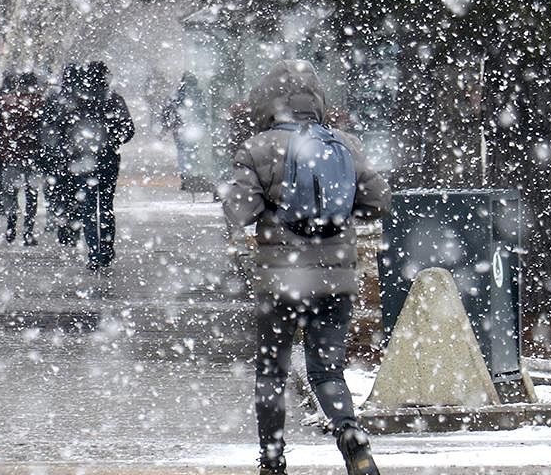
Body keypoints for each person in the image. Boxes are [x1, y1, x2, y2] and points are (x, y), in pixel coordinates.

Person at [221, 60, 392, 475]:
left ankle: (273, 459)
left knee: (272, 370)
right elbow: (378, 200)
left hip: (281, 279)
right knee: (327, 367)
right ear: (316, 102)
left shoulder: (256, 148)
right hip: (336, 276)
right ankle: (350, 432)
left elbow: (239, 210)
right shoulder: (344, 144)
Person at [63, 60, 134, 271]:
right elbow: (128, 129)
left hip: (84, 161)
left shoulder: (77, 101)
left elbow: (64, 130)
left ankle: (94, 252)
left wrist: (74, 148)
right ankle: (106, 248)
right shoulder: (113, 99)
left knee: (88, 207)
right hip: (108, 160)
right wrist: (112, 141)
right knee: (105, 205)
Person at [0, 71, 45, 245]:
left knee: (11, 194)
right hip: (33, 155)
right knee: (31, 196)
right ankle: (28, 232)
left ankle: (11, 229)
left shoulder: (5, 102)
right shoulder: (39, 103)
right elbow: (46, 130)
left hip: (10, 155)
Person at [40, 63, 83, 245]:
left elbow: (45, 125)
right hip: (77, 156)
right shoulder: (83, 99)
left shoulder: (54, 99)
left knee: (59, 191)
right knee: (76, 192)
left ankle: (62, 225)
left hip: (57, 155)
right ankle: (73, 228)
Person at [160, 71, 211, 192]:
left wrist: (166, 126)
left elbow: (168, 110)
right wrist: (204, 124)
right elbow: (203, 110)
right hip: (193, 127)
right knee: (192, 150)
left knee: (182, 151)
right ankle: (193, 174)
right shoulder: (199, 93)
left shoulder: (176, 94)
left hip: (179, 127)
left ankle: (186, 176)